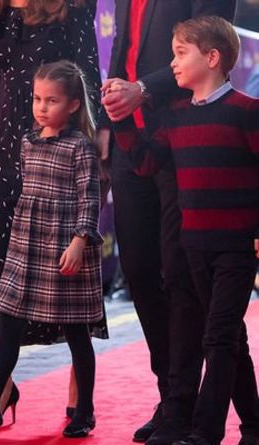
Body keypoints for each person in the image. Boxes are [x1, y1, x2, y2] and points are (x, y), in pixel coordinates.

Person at [112, 16, 259, 445]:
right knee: (231, 338)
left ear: (212, 58)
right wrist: (121, 119)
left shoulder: (247, 112)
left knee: (218, 339)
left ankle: (204, 433)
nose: (172, 63)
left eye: (180, 53)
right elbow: (145, 163)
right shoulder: (174, 117)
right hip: (194, 246)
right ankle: (254, 426)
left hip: (235, 248)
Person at [0, 0, 107, 416]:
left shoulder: (71, 8)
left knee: (71, 286)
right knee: (5, 277)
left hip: (65, 153)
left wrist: (99, 141)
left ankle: (81, 403)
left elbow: (89, 75)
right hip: (12, 154)